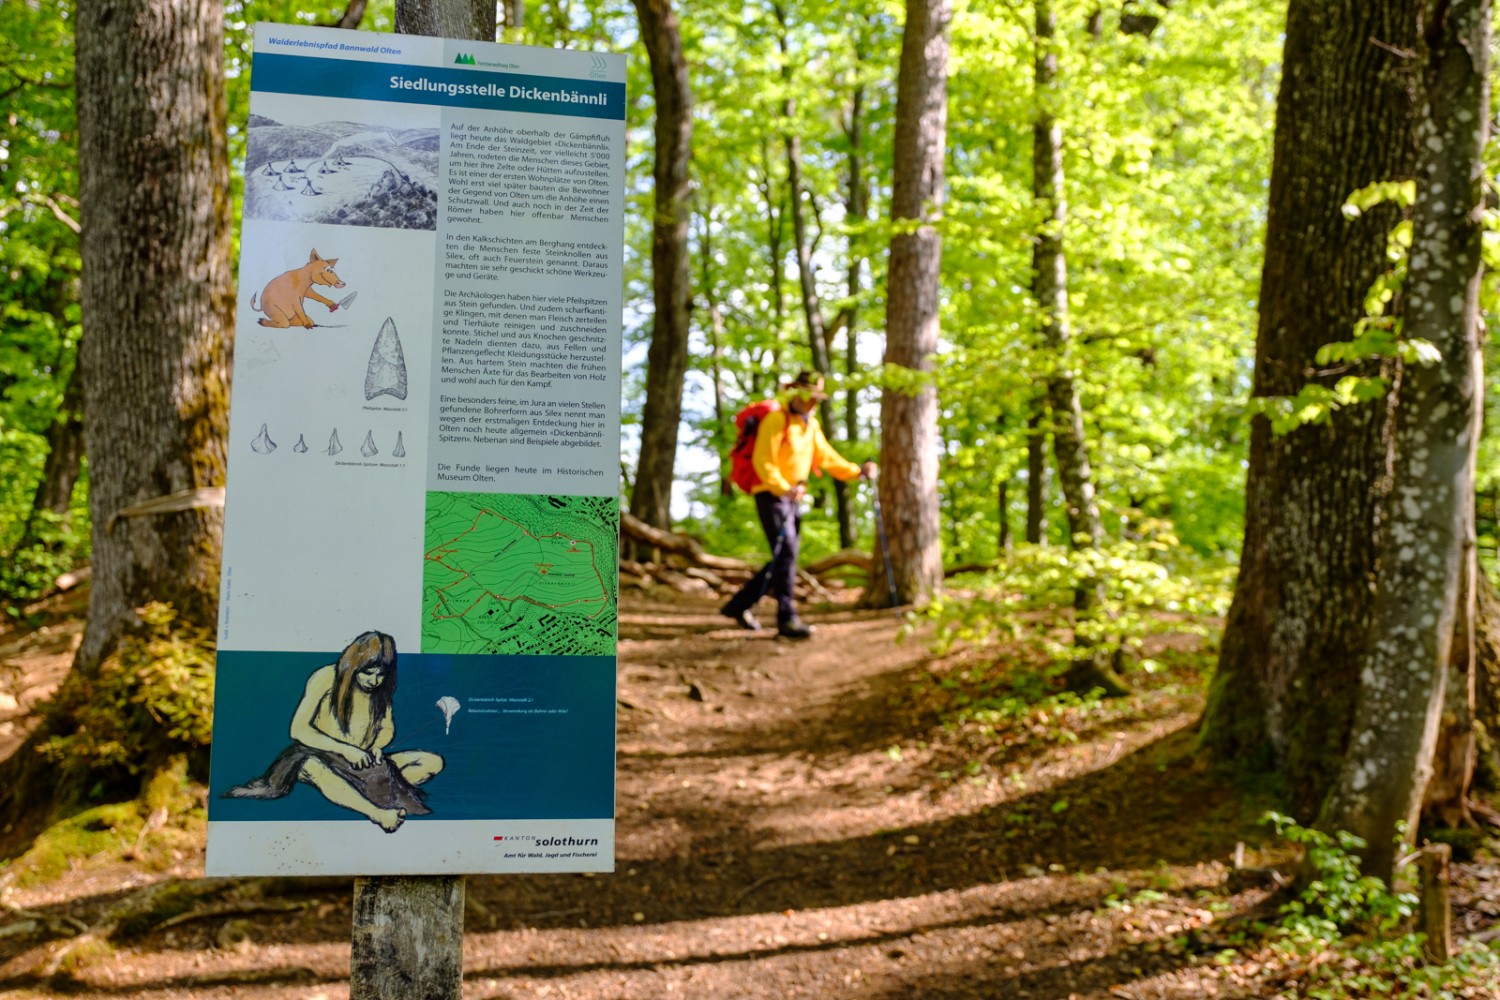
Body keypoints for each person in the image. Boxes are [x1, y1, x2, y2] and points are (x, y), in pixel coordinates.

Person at [224, 630, 443, 832]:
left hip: (362, 761)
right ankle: (377, 813)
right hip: (316, 755)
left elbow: (387, 728)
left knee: (432, 762)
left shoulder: (380, 689)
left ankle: (358, 792)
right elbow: (298, 729)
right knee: (313, 767)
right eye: (368, 673)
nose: (374, 681)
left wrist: (377, 746)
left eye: (380, 675)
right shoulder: (325, 677)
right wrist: (346, 750)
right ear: (355, 663)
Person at [720, 371, 877, 639]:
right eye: (808, 396)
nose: (812, 402)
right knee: (787, 552)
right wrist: (784, 487)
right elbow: (763, 460)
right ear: (794, 393)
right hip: (770, 494)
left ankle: (739, 605)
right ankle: (787, 617)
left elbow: (828, 458)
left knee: (785, 555)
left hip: (791, 497)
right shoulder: (775, 420)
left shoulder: (811, 426)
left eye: (816, 398)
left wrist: (857, 471)